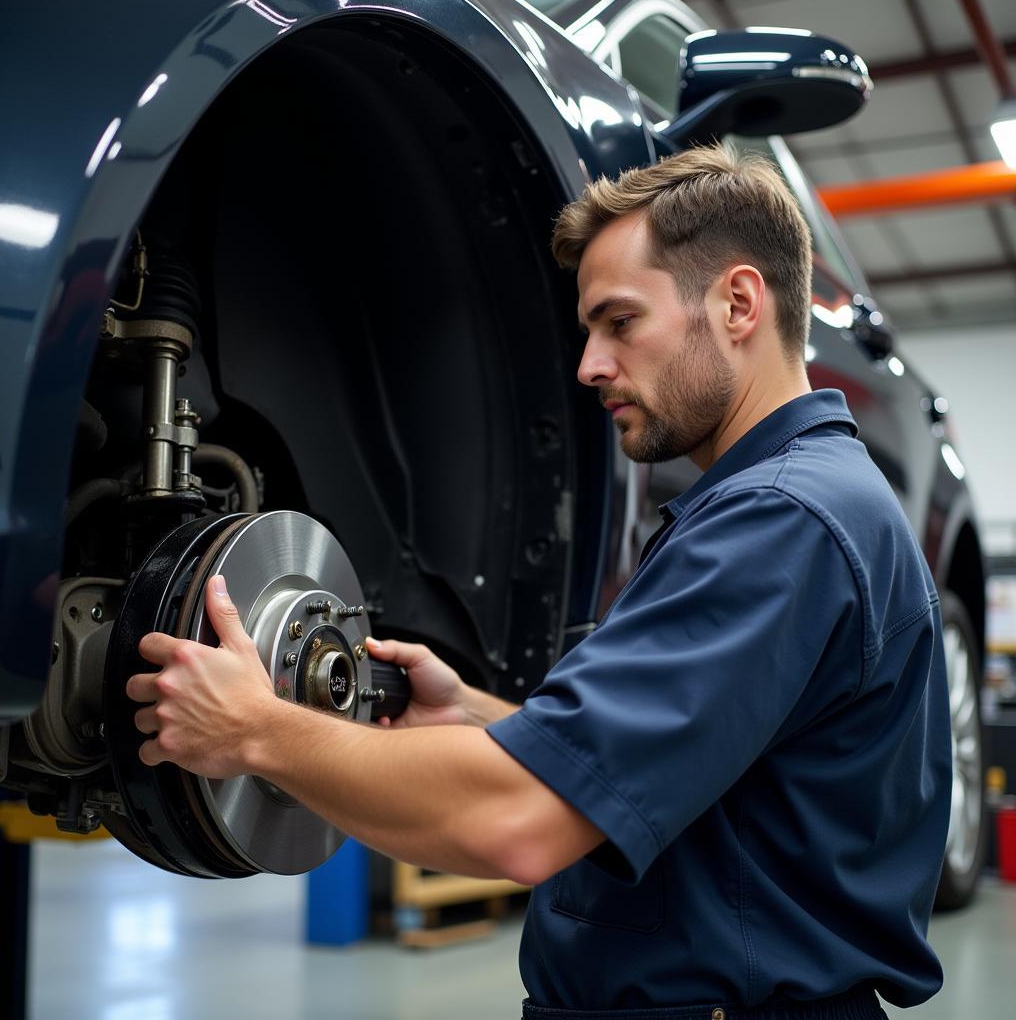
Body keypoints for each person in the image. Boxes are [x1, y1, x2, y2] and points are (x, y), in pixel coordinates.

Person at [127, 145, 952, 1020]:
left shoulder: (782, 522)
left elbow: (519, 825)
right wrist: (483, 717)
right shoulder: (792, 503)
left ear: (739, 303)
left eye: (620, 322)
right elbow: (693, 775)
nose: (589, 365)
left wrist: (254, 730)